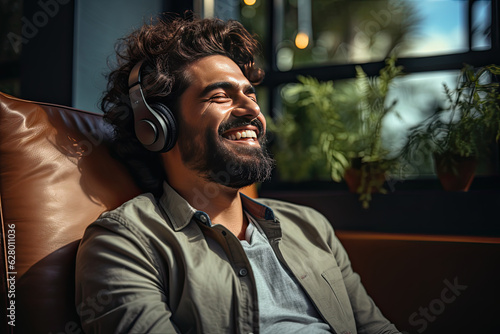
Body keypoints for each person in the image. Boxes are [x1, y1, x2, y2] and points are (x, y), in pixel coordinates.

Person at [75, 15, 401, 334]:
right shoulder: (125, 243)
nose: (252, 111)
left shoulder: (311, 226)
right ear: (157, 127)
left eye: (251, 94)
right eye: (220, 96)